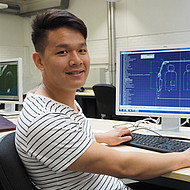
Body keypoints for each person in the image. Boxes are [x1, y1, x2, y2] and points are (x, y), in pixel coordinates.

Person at [15, 9, 190, 190]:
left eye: (82, 50)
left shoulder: (49, 100)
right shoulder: (45, 121)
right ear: (40, 61)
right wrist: (185, 157)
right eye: (63, 52)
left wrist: (99, 137)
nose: (76, 60)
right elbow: (124, 166)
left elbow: (66, 136)